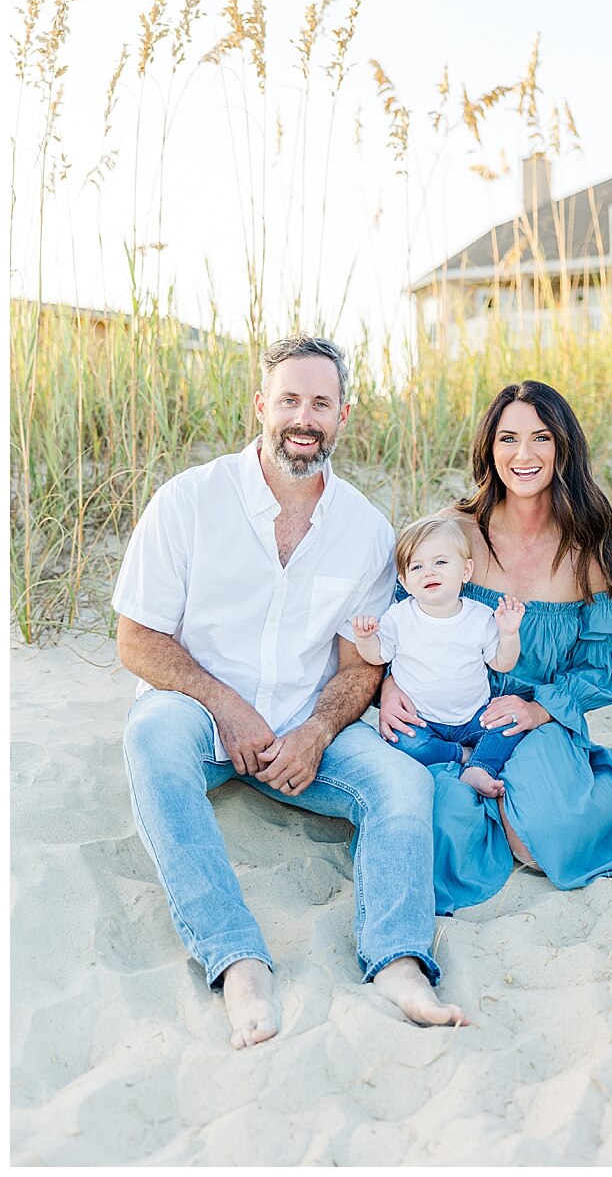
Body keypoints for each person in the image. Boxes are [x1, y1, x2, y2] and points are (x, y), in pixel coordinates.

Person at [113, 334, 468, 1048]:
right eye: (288, 400)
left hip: (306, 731)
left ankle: (396, 960)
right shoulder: (189, 501)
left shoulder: (365, 531)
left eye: (320, 402)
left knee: (403, 786)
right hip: (201, 713)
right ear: (261, 406)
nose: (302, 417)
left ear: (343, 414)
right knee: (149, 737)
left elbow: (358, 665)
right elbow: (137, 638)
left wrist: (316, 731)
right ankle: (236, 959)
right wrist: (226, 706)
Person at [379, 381, 612, 914]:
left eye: (540, 438)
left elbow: (599, 670)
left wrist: (536, 708)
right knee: (430, 833)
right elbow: (400, 618)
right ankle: (488, 792)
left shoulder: (590, 548)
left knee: (550, 844)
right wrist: (388, 684)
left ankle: (562, 790)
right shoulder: (453, 534)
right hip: (445, 716)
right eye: (508, 438)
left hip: (537, 718)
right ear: (489, 448)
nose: (523, 455)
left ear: (563, 447)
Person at [352, 514, 526, 798]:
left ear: (466, 571)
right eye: (417, 566)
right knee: (403, 741)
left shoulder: (479, 617)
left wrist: (508, 634)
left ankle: (479, 767)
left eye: (441, 562)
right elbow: (378, 655)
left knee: (508, 725)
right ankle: (464, 756)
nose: (429, 572)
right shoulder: (399, 617)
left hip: (474, 716)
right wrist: (365, 638)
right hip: (422, 719)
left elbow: (502, 663)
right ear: (405, 582)